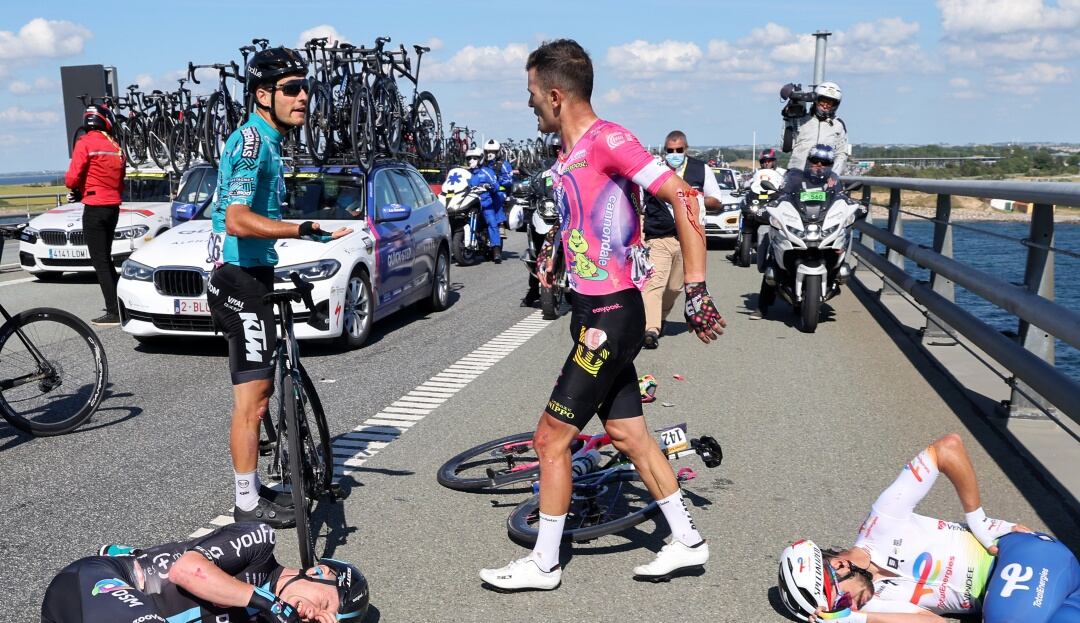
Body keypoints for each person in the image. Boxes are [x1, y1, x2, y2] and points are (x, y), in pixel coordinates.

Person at [479, 39, 726, 591]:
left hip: (611, 317)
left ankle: (544, 564)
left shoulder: (609, 139)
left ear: (557, 94)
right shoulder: (567, 153)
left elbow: (684, 196)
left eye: (532, 95)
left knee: (550, 440)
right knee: (627, 433)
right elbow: (588, 222)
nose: (530, 105)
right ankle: (687, 540)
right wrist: (555, 256)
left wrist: (697, 288)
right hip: (592, 309)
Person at [206, 47, 351, 528]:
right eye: (292, 89)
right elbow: (237, 220)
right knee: (254, 399)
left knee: (266, 390)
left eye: (305, 87)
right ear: (263, 95)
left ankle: (258, 486)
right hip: (236, 278)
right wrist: (301, 229)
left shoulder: (268, 140)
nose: (304, 96)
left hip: (254, 274)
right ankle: (246, 503)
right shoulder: (250, 142)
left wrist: (307, 231)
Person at [777, 433, 1080, 623]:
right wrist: (852, 620)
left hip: (1018, 557)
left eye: (840, 600)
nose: (848, 606)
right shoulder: (875, 599)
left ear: (840, 565)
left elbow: (947, 448)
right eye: (838, 608)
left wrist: (979, 521)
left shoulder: (882, 521)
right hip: (1036, 593)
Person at [41, 522, 368, 622]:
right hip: (95, 583)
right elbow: (187, 570)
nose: (316, 617)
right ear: (320, 572)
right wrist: (269, 602)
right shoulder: (260, 544)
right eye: (326, 607)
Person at [641, 130, 723, 349]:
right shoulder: (653, 171)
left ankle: (661, 316)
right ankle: (651, 329)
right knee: (653, 283)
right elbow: (639, 204)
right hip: (658, 236)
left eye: (678, 150)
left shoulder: (700, 170)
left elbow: (717, 200)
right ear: (664, 150)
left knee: (675, 287)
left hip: (688, 240)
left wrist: (695, 199)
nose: (674, 154)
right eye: (670, 150)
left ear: (686, 150)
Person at [65, 104, 126, 326]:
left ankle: (114, 311)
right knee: (107, 260)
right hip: (112, 207)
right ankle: (121, 304)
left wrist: (80, 189)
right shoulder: (115, 146)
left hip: (94, 208)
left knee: (100, 262)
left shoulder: (85, 143)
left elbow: (72, 179)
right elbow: (119, 180)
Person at [521, 134, 560, 308]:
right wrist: (526, 193)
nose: (558, 151)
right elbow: (532, 183)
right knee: (536, 250)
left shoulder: (576, 165)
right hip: (548, 212)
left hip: (568, 214)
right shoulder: (544, 168)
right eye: (555, 148)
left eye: (560, 147)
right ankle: (533, 289)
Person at [787, 81, 848, 175]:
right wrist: (789, 116)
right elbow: (786, 145)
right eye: (823, 101)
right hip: (797, 173)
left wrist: (834, 174)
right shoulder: (801, 119)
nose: (825, 105)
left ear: (835, 105)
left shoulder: (838, 125)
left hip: (823, 176)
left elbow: (841, 153)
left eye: (830, 103)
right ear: (816, 100)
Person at [465, 145, 504, 263]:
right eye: (469, 158)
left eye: (474, 158)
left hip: (485, 203)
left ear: (480, 159)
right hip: (468, 204)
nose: (471, 160)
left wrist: (490, 186)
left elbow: (496, 185)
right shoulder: (465, 173)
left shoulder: (486, 171)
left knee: (492, 222)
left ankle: (496, 249)